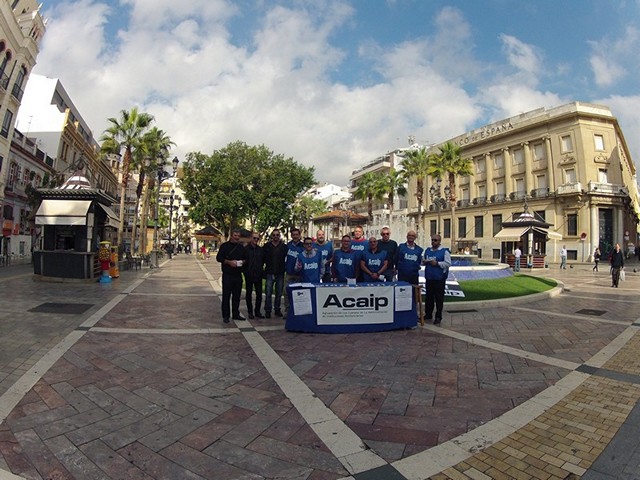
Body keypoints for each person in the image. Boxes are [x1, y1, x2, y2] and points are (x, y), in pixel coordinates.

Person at [216, 229, 247, 323]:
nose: (237, 237)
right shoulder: (224, 246)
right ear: (231, 236)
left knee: (237, 296)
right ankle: (226, 315)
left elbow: (246, 259)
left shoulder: (241, 247)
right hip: (227, 275)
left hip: (238, 275)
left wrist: (241, 262)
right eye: (235, 235)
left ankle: (235, 314)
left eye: (238, 236)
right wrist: (229, 262)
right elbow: (219, 258)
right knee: (226, 296)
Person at [423, 234, 451, 325]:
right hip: (429, 277)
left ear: (439, 241)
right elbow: (423, 260)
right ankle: (428, 314)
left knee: (439, 298)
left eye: (435, 240)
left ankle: (438, 316)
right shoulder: (427, 250)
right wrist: (424, 262)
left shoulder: (444, 251)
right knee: (429, 298)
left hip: (439, 278)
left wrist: (437, 263)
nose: (433, 242)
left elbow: (448, 264)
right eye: (432, 240)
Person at [263, 229, 287, 319]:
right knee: (268, 293)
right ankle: (268, 310)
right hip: (269, 272)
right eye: (274, 235)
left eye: (277, 235)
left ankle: (277, 309)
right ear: (271, 236)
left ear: (279, 236)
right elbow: (262, 258)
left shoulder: (284, 247)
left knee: (279, 293)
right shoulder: (267, 246)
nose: (276, 236)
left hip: (280, 273)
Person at [283, 228, 304, 315]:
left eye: (296, 234)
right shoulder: (288, 246)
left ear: (299, 235)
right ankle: (287, 311)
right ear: (291, 235)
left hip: (299, 274)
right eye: (293, 235)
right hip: (289, 273)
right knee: (286, 292)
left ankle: (297, 312)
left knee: (298, 293)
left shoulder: (303, 246)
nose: (295, 236)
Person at [243, 232, 264, 319]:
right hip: (249, 274)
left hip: (258, 274)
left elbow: (263, 261)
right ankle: (250, 311)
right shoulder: (246, 249)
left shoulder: (260, 250)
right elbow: (243, 261)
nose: (256, 240)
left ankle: (257, 311)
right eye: (254, 238)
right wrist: (245, 272)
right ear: (251, 238)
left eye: (257, 238)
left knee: (259, 294)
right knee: (249, 294)